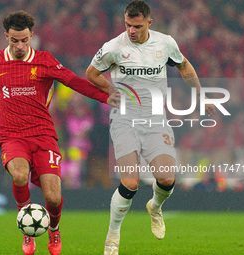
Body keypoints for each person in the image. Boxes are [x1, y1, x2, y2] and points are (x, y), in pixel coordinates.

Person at [0, 10, 119, 255]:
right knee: (19, 175)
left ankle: (55, 229)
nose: (19, 46)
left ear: (31, 36)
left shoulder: (45, 60)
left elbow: (73, 81)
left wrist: (104, 97)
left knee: (53, 197)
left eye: (24, 40)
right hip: (12, 136)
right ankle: (27, 231)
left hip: (43, 135)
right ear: (6, 36)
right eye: (14, 40)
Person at [85, 1, 215, 254]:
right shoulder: (113, 48)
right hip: (124, 119)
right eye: (127, 25)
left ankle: (155, 207)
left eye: (136, 26)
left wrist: (202, 96)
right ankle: (112, 237)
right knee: (130, 182)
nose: (131, 31)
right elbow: (91, 73)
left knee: (166, 178)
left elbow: (184, 66)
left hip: (155, 119)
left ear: (149, 23)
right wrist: (109, 90)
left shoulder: (165, 43)